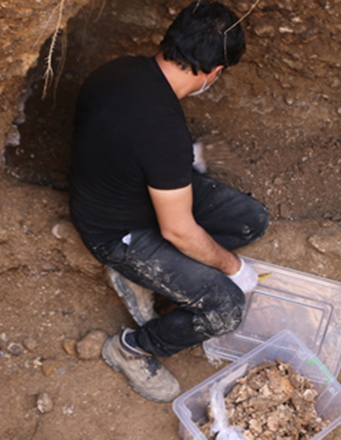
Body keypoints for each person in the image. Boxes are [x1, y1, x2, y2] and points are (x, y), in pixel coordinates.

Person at [68, 1, 269, 402]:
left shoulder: (117, 69)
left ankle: (156, 275)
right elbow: (177, 229)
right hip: (114, 230)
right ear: (215, 72)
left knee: (251, 220)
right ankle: (132, 348)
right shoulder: (163, 132)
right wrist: (235, 268)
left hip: (133, 192)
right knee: (225, 308)